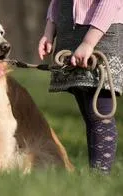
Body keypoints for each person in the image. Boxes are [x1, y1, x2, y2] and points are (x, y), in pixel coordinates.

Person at [38, 0, 123, 173]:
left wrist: (89, 43)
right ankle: (95, 175)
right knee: (89, 113)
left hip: (101, 34)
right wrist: (49, 31)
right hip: (70, 34)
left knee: (100, 113)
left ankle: (101, 177)